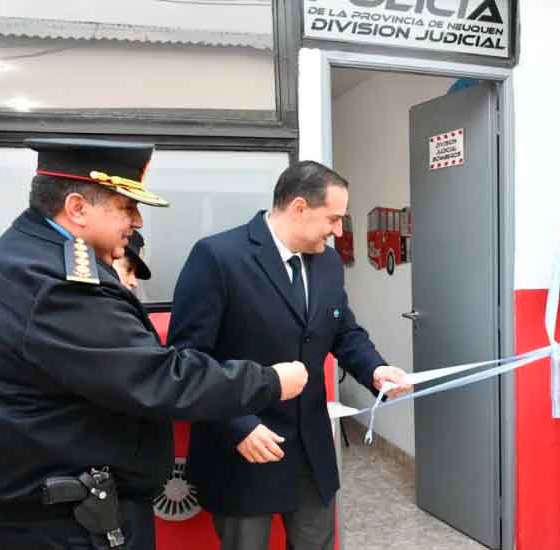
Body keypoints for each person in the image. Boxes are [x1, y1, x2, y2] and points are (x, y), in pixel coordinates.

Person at [0, 137, 309, 550]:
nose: (138, 222)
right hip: (68, 523)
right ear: (77, 208)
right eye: (127, 207)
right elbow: (157, 378)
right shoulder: (57, 284)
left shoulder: (34, 259)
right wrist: (270, 381)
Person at [168, 161, 412, 550]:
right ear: (299, 207)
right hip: (243, 449)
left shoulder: (328, 263)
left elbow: (343, 330)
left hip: (310, 451)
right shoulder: (218, 257)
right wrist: (238, 426)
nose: (337, 231)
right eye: (333, 219)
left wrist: (376, 370)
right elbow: (187, 359)